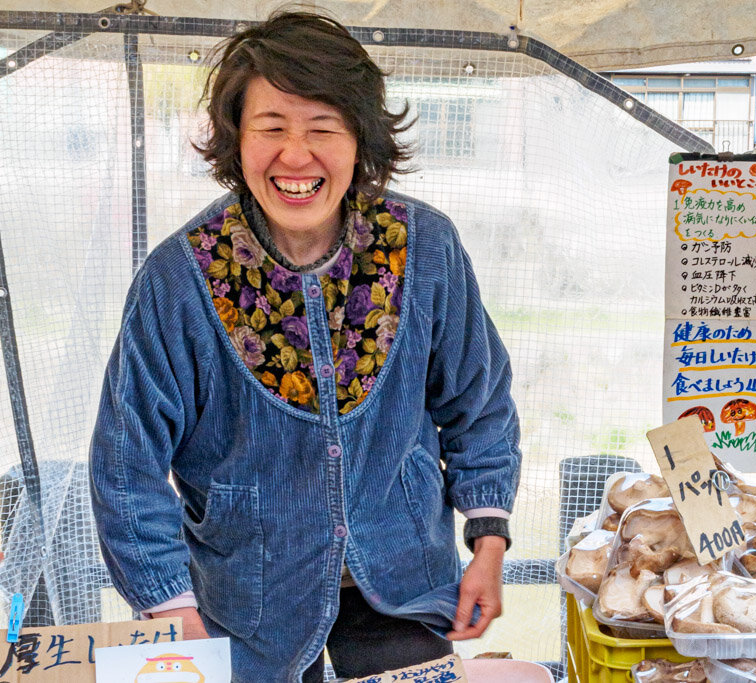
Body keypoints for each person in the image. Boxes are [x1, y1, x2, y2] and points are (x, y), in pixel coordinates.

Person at [89, 10, 521, 682]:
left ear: (360, 140)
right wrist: (172, 609)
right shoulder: (179, 278)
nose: (296, 156)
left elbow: (477, 399)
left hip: (403, 586)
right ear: (236, 141)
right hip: (245, 605)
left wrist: (488, 538)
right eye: (271, 129)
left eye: (322, 129)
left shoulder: (425, 246)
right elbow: (126, 461)